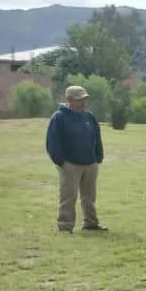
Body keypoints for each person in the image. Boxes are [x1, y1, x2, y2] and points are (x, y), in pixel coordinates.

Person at [46, 85, 106, 233]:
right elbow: (52, 143)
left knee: (89, 196)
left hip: (90, 163)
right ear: (69, 100)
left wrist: (98, 156)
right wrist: (62, 162)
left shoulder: (89, 116)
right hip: (70, 164)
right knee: (68, 196)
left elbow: (97, 138)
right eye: (79, 99)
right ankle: (65, 226)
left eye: (84, 99)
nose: (83, 102)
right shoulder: (59, 117)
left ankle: (91, 223)